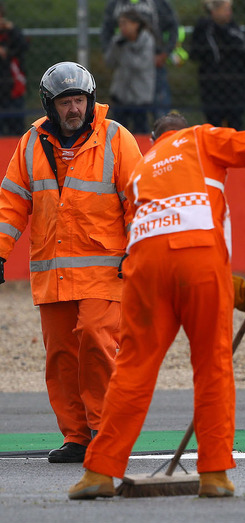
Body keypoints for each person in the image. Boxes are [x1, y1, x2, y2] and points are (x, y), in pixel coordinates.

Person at [67, 111, 245, 500]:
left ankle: (99, 471)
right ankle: (213, 473)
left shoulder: (141, 169)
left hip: (143, 269)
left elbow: (166, 242)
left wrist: (236, 291)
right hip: (197, 261)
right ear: (185, 128)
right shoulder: (200, 138)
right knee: (211, 367)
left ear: (154, 139)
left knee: (132, 370)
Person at [0, 62, 142, 463]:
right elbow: (10, 204)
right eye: (65, 102)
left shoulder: (117, 139)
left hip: (105, 271)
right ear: (50, 105)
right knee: (61, 356)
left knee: (97, 341)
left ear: (90, 100)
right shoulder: (30, 144)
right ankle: (77, 436)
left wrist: (138, 250)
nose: (74, 108)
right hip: (53, 274)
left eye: (79, 99)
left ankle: (105, 428)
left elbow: (139, 200)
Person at [101, 0, 180, 118]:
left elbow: (173, 27)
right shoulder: (116, 4)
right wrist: (111, 53)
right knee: (122, 114)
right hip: (124, 69)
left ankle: (162, 135)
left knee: (159, 111)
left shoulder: (158, 3)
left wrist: (165, 53)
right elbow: (106, 30)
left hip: (154, 67)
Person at [190, 0, 245, 130]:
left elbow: (244, 49)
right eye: (225, 9)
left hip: (235, 88)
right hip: (211, 87)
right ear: (214, 11)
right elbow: (195, 54)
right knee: (213, 126)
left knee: (235, 126)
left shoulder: (234, 29)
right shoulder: (204, 28)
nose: (229, 13)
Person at [103, 7, 156, 134]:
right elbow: (109, 62)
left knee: (140, 130)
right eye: (120, 24)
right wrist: (116, 47)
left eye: (125, 24)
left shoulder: (147, 40)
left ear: (136, 24)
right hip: (121, 93)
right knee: (117, 130)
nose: (122, 28)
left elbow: (140, 64)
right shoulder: (118, 41)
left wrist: (126, 48)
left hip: (140, 95)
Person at [0, 1, 27, 135]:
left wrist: (12, 29)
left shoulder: (10, 33)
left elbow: (23, 46)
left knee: (16, 129)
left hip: (12, 88)